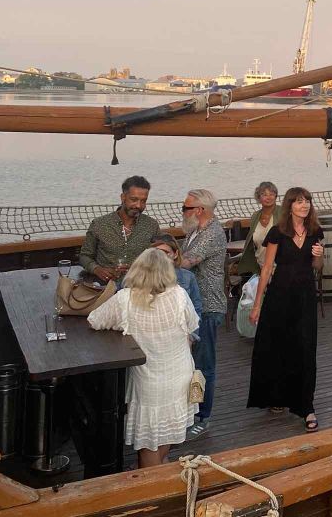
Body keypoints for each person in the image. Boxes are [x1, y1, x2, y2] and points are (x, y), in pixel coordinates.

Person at [88, 248, 198, 468]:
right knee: (167, 436)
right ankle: (163, 469)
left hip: (150, 383)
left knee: (149, 444)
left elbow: (95, 320)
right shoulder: (179, 295)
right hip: (181, 375)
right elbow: (192, 326)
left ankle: (153, 487)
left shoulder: (125, 300)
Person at [247, 187, 325, 431]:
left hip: (304, 297)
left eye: (307, 202)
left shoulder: (315, 231)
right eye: (299, 202)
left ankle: (306, 407)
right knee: (278, 345)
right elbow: (267, 268)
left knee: (305, 348)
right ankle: (276, 395)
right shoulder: (278, 232)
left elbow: (318, 267)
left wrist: (320, 255)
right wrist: (257, 303)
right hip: (279, 296)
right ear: (290, 205)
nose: (304, 206)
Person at [179, 188, 227, 441]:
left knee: (203, 367)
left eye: (185, 208)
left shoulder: (212, 233)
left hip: (207, 308)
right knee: (193, 365)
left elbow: (185, 262)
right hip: (194, 307)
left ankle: (202, 417)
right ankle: (193, 410)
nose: (182, 212)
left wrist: (155, 259)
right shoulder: (194, 232)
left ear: (199, 210)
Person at [80, 176, 160, 283]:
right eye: (134, 199)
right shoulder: (99, 224)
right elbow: (85, 256)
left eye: (143, 201)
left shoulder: (151, 225)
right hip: (105, 287)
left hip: (140, 287)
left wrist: (140, 267)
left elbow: (160, 256)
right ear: (123, 197)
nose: (138, 205)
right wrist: (97, 269)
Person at [148, 234, 203, 333]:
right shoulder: (141, 278)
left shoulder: (188, 277)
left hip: (182, 335)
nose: (162, 258)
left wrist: (193, 336)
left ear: (175, 254)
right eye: (157, 254)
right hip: (152, 334)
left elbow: (196, 309)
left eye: (166, 253)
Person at [235, 182, 281, 277]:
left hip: (281, 266)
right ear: (258, 198)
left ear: (276, 196)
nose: (268, 197)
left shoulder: (283, 213)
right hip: (261, 266)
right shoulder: (255, 216)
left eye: (271, 194)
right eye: (264, 194)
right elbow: (252, 243)